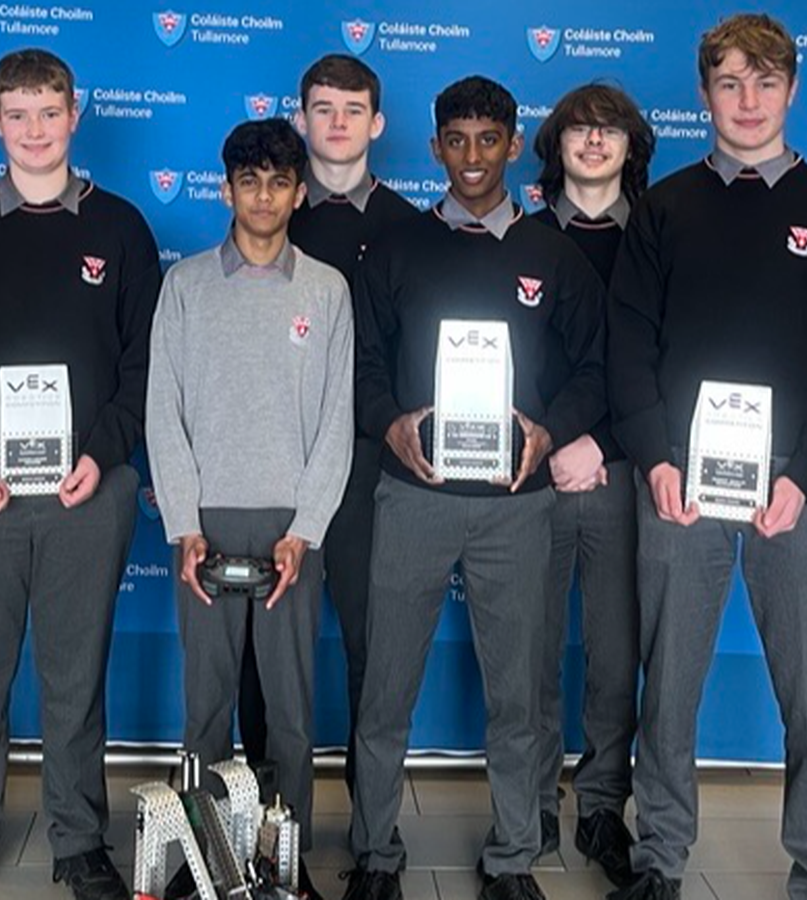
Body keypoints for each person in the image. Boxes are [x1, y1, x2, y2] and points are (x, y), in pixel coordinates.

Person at [607, 14, 807, 900]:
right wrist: (655, 458)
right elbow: (630, 344)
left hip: (797, 490)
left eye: (765, 82)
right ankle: (660, 860)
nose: (748, 100)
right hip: (678, 488)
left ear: (792, 89)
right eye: (730, 83)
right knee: (669, 686)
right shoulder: (664, 209)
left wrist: (806, 476)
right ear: (705, 94)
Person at [0, 48, 160, 900]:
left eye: (50, 112)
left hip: (90, 488)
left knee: (74, 675)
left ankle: (79, 842)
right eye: (17, 114)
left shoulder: (121, 228)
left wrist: (103, 452)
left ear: (75, 116)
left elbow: (144, 366)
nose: (35, 129)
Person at [344, 76, 606, 900]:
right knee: (386, 688)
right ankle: (375, 856)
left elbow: (595, 369)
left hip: (516, 508)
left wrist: (549, 431)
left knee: (517, 695)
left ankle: (513, 857)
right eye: (455, 140)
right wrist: (389, 423)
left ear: (513, 144)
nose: (471, 157)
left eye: (487, 140)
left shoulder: (552, 255)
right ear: (434, 147)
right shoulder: (397, 249)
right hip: (412, 497)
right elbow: (362, 363)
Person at [146, 117, 353, 900]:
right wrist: (184, 525)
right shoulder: (186, 285)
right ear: (226, 190)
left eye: (278, 182)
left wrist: (307, 528)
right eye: (248, 181)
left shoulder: (326, 290)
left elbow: (336, 420)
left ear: (299, 193)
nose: (263, 196)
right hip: (206, 522)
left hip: (291, 527)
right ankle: (201, 864)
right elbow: (162, 411)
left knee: (291, 711)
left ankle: (282, 867)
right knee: (206, 708)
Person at [234, 52, 417, 786]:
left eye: (353, 110)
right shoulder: (270, 213)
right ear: (300, 118)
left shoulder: (410, 225)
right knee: (263, 637)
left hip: (375, 463)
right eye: (323, 109)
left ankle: (370, 809)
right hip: (278, 458)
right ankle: (258, 800)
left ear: (377, 123)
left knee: (373, 634)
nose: (337, 123)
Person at [528, 83, 654, 887]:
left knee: (614, 650)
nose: (596, 141)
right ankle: (534, 802)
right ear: (557, 145)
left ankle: (604, 803)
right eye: (580, 129)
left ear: (631, 146)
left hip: (621, 469)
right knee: (530, 647)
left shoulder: (658, 237)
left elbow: (664, 361)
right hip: (535, 471)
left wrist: (599, 445)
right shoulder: (524, 236)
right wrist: (548, 444)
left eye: (610, 130)